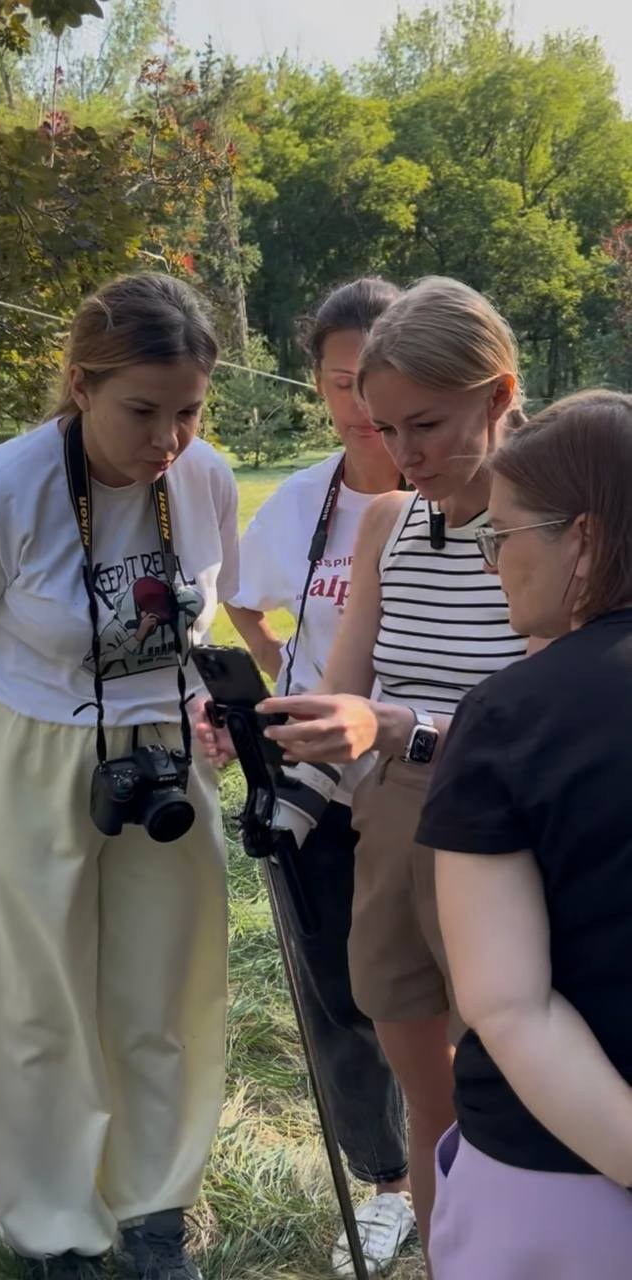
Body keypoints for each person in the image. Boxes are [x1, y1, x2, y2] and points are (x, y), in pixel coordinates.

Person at [0, 274, 239, 1280]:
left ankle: (151, 1207)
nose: (167, 439)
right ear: (81, 384)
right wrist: (41, 729)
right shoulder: (0, 489)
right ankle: (56, 1224)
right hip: (32, 749)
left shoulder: (205, 477)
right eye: (142, 409)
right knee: (35, 999)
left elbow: (194, 621)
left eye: (187, 410)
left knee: (163, 990)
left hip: (163, 757)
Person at [255, 277, 530, 1258]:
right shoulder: (385, 524)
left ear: (497, 395)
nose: (402, 454)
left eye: (426, 424)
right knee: (428, 1098)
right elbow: (345, 693)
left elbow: (558, 724)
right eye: (381, 426)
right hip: (392, 832)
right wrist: (290, 748)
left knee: (516, 1100)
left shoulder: (552, 526)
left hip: (516, 839)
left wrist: (397, 724)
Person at [415, 389, 632, 1279]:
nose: (488, 560)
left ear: (580, 535)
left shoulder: (509, 715)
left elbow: (506, 1004)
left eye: (501, 534)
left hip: (560, 1188)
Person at [221, 279, 414, 1273]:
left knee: (438, 989)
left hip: (421, 780)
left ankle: (459, 1161)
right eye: (342, 379)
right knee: (337, 993)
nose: (360, 403)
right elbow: (245, 603)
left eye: (377, 378)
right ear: (317, 382)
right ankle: (385, 1179)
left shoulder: (451, 489)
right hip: (315, 788)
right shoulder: (299, 501)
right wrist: (278, 689)